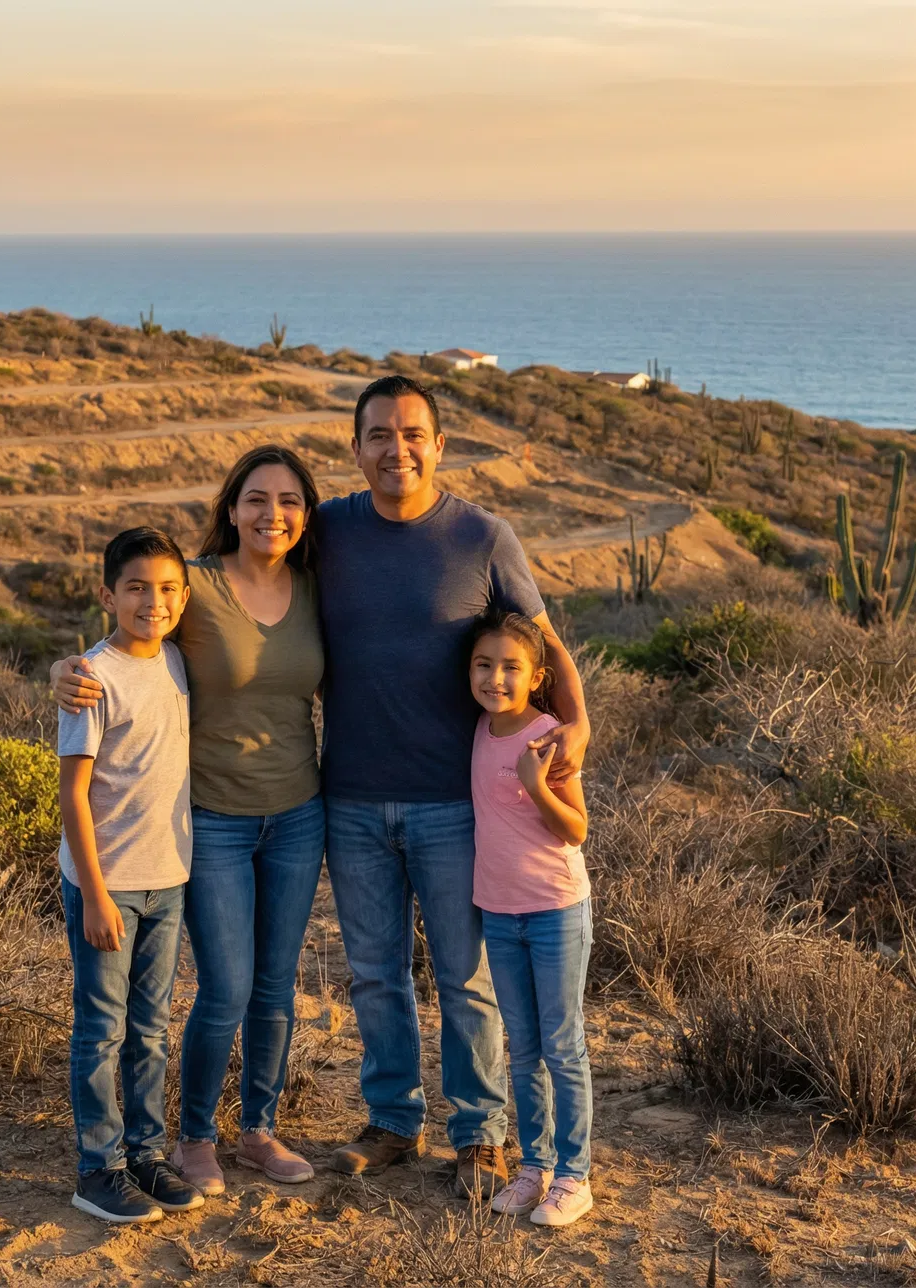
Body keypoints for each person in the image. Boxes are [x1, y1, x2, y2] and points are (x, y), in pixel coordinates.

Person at [320, 374, 591, 1199]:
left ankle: (480, 1134)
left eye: (412, 435)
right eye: (378, 435)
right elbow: (227, 580)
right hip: (352, 794)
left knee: (463, 975)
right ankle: (394, 1123)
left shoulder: (482, 535)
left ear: (439, 446)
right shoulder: (327, 531)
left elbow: (546, 645)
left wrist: (577, 725)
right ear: (356, 446)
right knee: (373, 970)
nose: (395, 449)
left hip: (452, 802)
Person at [52, 446, 327, 1197]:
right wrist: (62, 669)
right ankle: (195, 1137)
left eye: (290, 501)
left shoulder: (315, 587)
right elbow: (131, 634)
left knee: (276, 986)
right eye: (257, 499)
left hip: (300, 813)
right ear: (231, 507)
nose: (273, 515)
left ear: (307, 513)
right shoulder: (198, 586)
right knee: (225, 988)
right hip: (211, 821)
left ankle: (258, 1132)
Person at [58, 526, 202, 1224]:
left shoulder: (176, 659)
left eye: (169, 588)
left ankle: (146, 1154)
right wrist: (92, 893)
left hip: (168, 879)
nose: (155, 600)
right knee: (101, 1031)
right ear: (108, 594)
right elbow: (73, 795)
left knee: (151, 1029)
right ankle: (99, 1168)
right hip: (107, 885)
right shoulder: (92, 677)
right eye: (138, 587)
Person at [466, 612, 595, 1228]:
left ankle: (575, 1177)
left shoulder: (548, 736)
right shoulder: (480, 729)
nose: (495, 678)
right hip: (499, 910)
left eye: (511, 667)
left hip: (554, 909)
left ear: (536, 676)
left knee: (562, 1046)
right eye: (484, 665)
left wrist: (536, 784)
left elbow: (576, 830)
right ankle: (533, 1169)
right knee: (522, 1050)